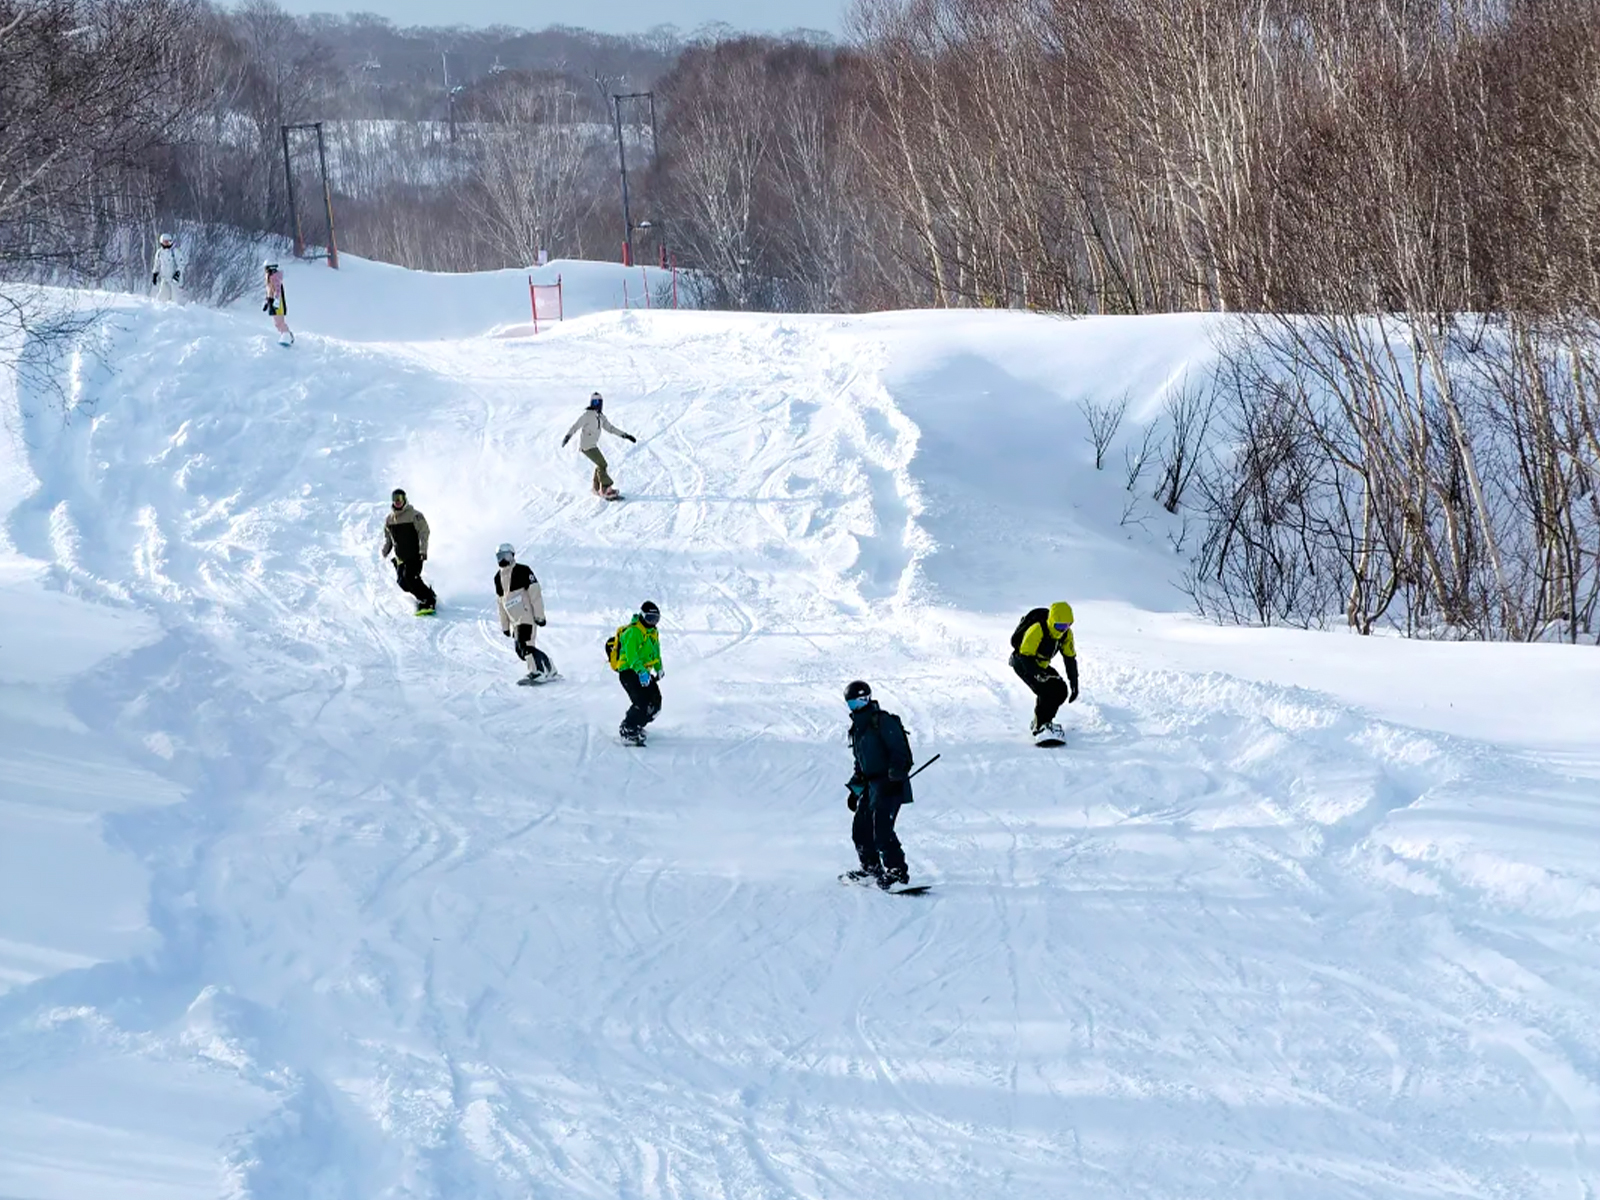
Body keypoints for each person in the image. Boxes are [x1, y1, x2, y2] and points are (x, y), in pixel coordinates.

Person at [842, 680, 915, 889]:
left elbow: (899, 750)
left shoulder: (882, 721)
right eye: (853, 704)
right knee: (860, 830)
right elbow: (861, 763)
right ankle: (871, 869)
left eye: (862, 701)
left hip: (889, 784)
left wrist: (896, 773)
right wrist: (855, 790)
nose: (858, 706)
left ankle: (897, 872)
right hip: (870, 787)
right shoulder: (857, 729)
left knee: (882, 830)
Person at [1009, 602, 1079, 741]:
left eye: (1067, 625)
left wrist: (1074, 682)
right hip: (1023, 663)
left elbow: (1070, 658)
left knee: (1061, 690)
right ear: (1052, 621)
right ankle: (1040, 725)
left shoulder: (1066, 635)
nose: (1063, 629)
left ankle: (1043, 721)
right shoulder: (1038, 629)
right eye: (1059, 626)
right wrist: (1037, 673)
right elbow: (1025, 655)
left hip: (1041, 665)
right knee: (1047, 690)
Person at [493, 543, 554, 682]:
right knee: (521, 651)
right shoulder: (498, 578)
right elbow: (501, 604)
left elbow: (535, 593)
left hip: (526, 615)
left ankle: (537, 672)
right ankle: (548, 667)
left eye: (506, 556)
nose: (503, 560)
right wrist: (505, 626)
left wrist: (539, 616)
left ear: (512, 556)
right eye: (499, 557)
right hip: (515, 620)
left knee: (524, 645)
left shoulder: (523, 570)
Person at [560, 391, 635, 499]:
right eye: (596, 402)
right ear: (592, 403)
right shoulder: (587, 415)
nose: (598, 405)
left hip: (592, 445)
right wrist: (568, 436)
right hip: (586, 446)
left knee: (600, 464)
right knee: (602, 464)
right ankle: (605, 489)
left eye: (600, 402)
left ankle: (596, 488)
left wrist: (625, 435)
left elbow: (610, 428)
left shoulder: (601, 417)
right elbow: (576, 426)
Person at [612, 600, 663, 745]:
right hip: (629, 672)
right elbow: (631, 655)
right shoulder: (633, 632)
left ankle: (637, 725)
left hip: (644, 672)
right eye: (650, 619)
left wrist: (659, 668)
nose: (652, 623)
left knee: (655, 703)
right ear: (642, 616)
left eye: (656, 619)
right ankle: (628, 728)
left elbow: (655, 652)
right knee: (642, 702)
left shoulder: (653, 632)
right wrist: (641, 671)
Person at [380, 488, 437, 614]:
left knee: (409, 577)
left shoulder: (414, 515)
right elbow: (389, 538)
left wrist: (423, 550)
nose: (397, 501)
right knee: (402, 583)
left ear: (404, 499)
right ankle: (427, 593)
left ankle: (428, 600)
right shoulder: (389, 519)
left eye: (400, 498)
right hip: (401, 557)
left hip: (415, 555)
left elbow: (424, 532)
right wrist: (385, 551)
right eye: (395, 499)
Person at [263, 260, 293, 346]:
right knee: (277, 322)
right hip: (273, 302)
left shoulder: (274, 277)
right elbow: (270, 291)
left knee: (279, 322)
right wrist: (267, 302)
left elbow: (277, 290)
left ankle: (286, 336)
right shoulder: (270, 277)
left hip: (277, 303)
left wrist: (276, 301)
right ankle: (286, 335)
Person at [151, 233, 181, 302]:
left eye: (168, 242)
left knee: (175, 298)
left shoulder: (175, 252)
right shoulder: (159, 253)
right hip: (164, 278)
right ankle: (160, 309)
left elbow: (181, 264)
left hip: (173, 279)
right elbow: (157, 264)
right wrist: (155, 274)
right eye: (165, 242)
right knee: (161, 297)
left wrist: (178, 273)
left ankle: (179, 309)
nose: (166, 244)